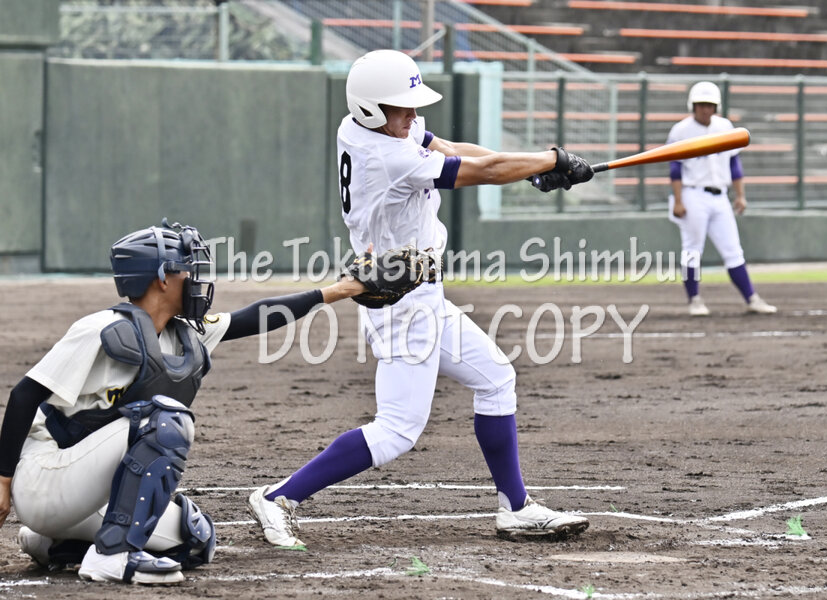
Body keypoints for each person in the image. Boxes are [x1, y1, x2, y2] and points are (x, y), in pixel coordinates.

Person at [247, 49, 595, 548]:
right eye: (402, 107)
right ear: (371, 108)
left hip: (422, 293)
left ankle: (515, 508)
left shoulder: (367, 128)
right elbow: (481, 172)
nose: (412, 115)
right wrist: (551, 160)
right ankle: (279, 497)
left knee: (496, 379)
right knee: (396, 430)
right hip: (402, 303)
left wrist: (529, 170)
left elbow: (452, 148)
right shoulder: (387, 158)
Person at [0, 220, 370, 585]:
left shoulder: (182, 334)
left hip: (86, 495)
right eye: (186, 269)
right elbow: (23, 396)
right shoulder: (100, 329)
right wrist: (2, 484)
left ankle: (52, 544)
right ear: (162, 278)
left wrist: (339, 291)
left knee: (194, 540)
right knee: (165, 421)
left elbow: (256, 316)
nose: (195, 278)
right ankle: (112, 556)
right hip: (45, 481)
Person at [667, 81, 777, 317]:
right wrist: (678, 200)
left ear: (716, 107)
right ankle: (694, 300)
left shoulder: (724, 126)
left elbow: (734, 163)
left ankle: (751, 298)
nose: (705, 109)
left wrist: (740, 195)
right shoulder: (681, 130)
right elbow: (675, 168)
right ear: (693, 106)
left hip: (720, 196)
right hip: (693, 194)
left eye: (710, 105)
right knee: (692, 249)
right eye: (701, 104)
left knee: (733, 250)